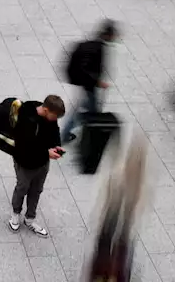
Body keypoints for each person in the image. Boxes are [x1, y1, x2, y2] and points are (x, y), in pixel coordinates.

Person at [7, 95, 65, 237]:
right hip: (25, 163)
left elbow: (54, 130)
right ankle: (15, 214)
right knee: (22, 188)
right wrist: (47, 153)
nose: (55, 119)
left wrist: (57, 145)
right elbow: (25, 146)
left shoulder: (50, 115)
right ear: (45, 110)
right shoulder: (26, 119)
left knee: (36, 190)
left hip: (42, 164)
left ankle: (30, 219)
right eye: (54, 116)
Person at [62, 22, 115, 142]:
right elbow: (85, 69)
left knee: (90, 109)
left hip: (87, 84)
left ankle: (72, 132)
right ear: (107, 35)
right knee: (90, 111)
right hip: (88, 85)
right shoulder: (97, 48)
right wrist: (97, 82)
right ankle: (67, 133)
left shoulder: (95, 44)